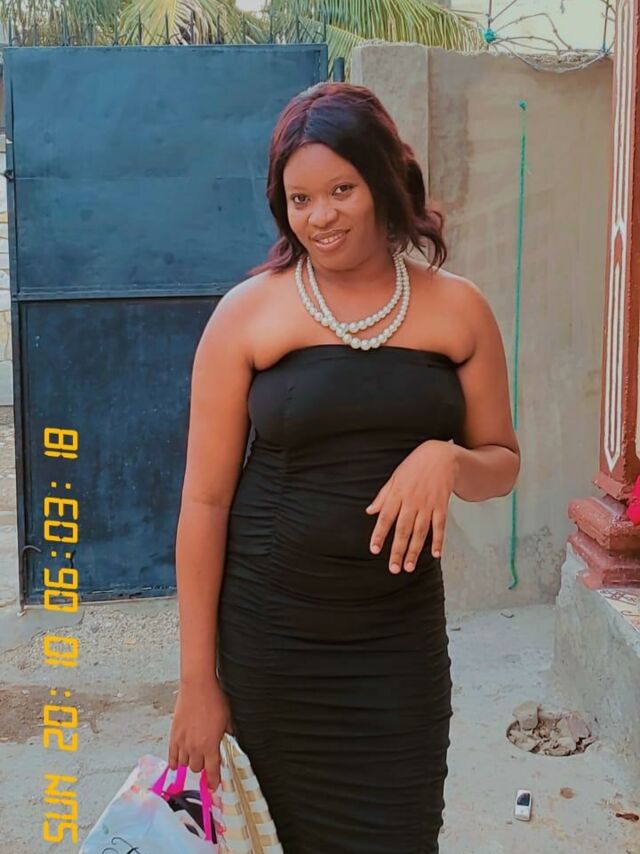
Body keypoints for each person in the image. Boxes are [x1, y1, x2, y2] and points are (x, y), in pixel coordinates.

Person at [168, 81, 520, 853]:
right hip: (272, 641)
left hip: (397, 645)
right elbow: (205, 502)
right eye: (299, 199)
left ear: (384, 182)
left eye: (340, 190)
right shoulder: (247, 313)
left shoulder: (459, 309)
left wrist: (448, 459)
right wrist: (197, 681)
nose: (320, 216)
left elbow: (502, 462)